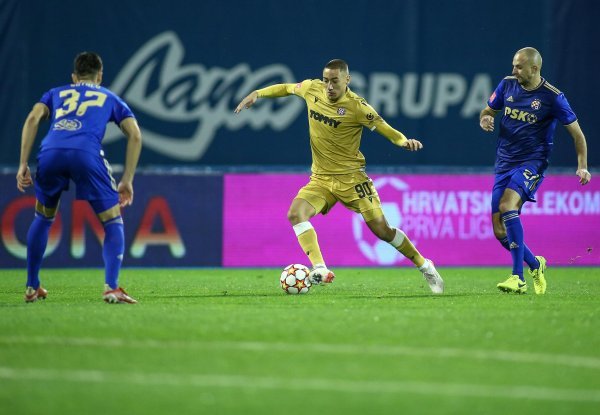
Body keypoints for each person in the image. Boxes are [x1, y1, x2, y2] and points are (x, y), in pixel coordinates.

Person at [235, 59, 444, 293]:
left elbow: (387, 129)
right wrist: (257, 93)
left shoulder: (358, 107)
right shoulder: (311, 89)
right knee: (296, 214)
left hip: (353, 180)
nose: (329, 86)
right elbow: (285, 88)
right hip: (321, 179)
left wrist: (404, 141)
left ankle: (424, 265)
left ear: (347, 80)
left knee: (381, 230)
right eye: (326, 81)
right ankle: (320, 268)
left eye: (334, 81)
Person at [16, 51, 142, 304]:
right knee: (112, 220)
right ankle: (111, 287)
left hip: (50, 152)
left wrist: (22, 164)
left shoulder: (55, 93)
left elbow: (32, 118)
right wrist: (127, 179)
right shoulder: (109, 97)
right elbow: (135, 135)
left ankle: (32, 286)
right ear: (100, 76)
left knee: (42, 216)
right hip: (86, 153)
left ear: (74, 77)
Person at [480, 47, 591, 295]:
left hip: (532, 162)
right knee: (499, 231)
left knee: (509, 206)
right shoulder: (507, 85)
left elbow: (578, 135)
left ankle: (517, 278)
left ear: (534, 68)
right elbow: (488, 110)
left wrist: (582, 166)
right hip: (504, 163)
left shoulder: (553, 97)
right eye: (513, 65)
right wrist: (485, 118)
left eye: (519, 67)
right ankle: (535, 263)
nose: (513, 71)